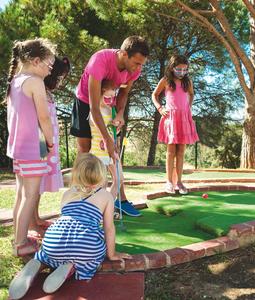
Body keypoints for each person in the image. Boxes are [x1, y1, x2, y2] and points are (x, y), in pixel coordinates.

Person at [8, 153, 130, 300]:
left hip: (53, 240)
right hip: (84, 245)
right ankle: (72, 267)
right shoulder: (106, 196)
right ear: (101, 175)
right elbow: (109, 228)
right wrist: (112, 254)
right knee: (95, 248)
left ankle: (39, 263)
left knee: (47, 253)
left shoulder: (68, 194)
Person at [70, 35, 149, 216]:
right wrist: (107, 138)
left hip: (108, 106)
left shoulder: (134, 71)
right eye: (136, 63)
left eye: (142, 64)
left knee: (113, 152)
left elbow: (123, 94)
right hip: (85, 102)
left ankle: (120, 200)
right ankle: (77, 199)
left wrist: (120, 113)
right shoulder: (100, 60)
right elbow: (93, 107)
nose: (139, 68)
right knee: (85, 150)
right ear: (123, 54)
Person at [5, 38, 56, 256]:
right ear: (36, 61)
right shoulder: (35, 82)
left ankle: (18, 236)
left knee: (20, 194)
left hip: (18, 148)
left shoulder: (16, 80)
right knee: (30, 196)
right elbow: (43, 117)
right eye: (49, 65)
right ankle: (20, 244)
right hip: (34, 148)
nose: (50, 69)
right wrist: (50, 140)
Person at [29, 56, 71, 238]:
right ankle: (31, 223)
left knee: (41, 182)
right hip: (39, 142)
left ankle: (36, 218)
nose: (60, 81)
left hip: (48, 143)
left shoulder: (47, 91)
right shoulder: (37, 88)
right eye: (60, 77)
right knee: (34, 184)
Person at [152, 54, 199, 194]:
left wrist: (187, 108)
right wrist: (160, 108)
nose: (182, 72)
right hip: (171, 118)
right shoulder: (166, 80)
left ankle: (179, 182)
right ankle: (169, 182)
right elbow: (154, 95)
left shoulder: (187, 82)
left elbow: (191, 94)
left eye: (185, 70)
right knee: (171, 151)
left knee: (181, 152)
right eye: (179, 69)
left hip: (184, 118)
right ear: (172, 67)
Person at [89, 79, 136, 215]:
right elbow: (97, 127)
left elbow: (115, 131)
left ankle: (107, 207)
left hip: (112, 152)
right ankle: (98, 213)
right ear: (99, 94)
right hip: (99, 152)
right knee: (101, 185)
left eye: (112, 97)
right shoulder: (95, 110)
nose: (110, 100)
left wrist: (118, 125)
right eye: (107, 97)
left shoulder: (111, 110)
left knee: (119, 178)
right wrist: (110, 128)